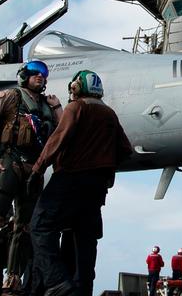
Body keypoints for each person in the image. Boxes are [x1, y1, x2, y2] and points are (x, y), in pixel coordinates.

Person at [30, 70, 133, 296]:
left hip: (70, 179)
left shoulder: (76, 107)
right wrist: (104, 164)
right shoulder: (109, 114)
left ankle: (56, 282)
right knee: (85, 240)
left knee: (40, 226)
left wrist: (37, 169)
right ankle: (82, 290)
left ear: (77, 87)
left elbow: (57, 139)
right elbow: (126, 150)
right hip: (96, 188)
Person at [0, 60, 63, 296]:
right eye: (36, 73)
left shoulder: (47, 106)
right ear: (24, 76)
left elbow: (62, 132)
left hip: (34, 169)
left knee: (25, 227)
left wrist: (58, 107)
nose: (41, 77)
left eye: (44, 74)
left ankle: (12, 281)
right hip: (9, 163)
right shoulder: (9, 97)